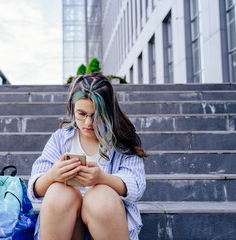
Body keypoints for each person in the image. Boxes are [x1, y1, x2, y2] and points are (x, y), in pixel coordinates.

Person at [27, 73, 149, 240]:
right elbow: (34, 188)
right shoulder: (61, 138)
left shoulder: (121, 141)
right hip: (64, 224)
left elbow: (135, 186)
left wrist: (101, 178)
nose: (88, 123)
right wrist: (52, 175)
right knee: (59, 191)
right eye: (82, 114)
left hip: (106, 221)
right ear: (73, 109)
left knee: (100, 196)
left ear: (109, 112)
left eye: (96, 115)